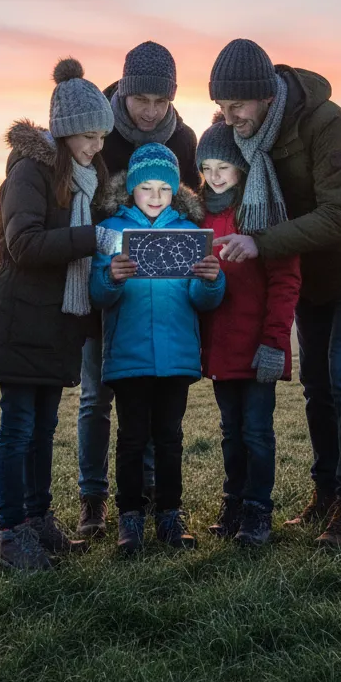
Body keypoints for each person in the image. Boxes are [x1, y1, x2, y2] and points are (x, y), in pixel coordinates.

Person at [208, 38, 341, 546]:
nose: (228, 118)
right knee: (316, 382)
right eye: (220, 108)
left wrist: (259, 241)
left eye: (236, 105)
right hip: (306, 265)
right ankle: (327, 493)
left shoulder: (328, 123)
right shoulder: (246, 135)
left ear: (265, 96)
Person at [0, 57, 122, 571]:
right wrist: (92, 239)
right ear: (63, 131)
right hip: (21, 319)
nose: (96, 146)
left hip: (55, 321)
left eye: (101, 136)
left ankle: (39, 522)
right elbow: (23, 244)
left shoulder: (83, 178)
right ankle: (11, 534)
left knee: (42, 429)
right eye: (88, 135)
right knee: (17, 428)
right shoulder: (29, 170)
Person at [77, 41, 200, 538]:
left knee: (152, 396)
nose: (150, 112)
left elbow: (188, 209)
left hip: (161, 291)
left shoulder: (185, 140)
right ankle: (94, 500)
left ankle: (150, 496)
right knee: (96, 395)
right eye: (140, 100)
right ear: (123, 92)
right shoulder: (98, 132)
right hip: (101, 275)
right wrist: (105, 262)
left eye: (160, 101)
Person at [89, 143, 224, 554]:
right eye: (145, 188)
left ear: (174, 192)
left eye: (163, 189)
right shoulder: (112, 232)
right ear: (131, 190)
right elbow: (98, 294)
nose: (154, 196)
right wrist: (111, 276)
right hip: (129, 357)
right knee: (131, 438)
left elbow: (204, 301)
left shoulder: (187, 232)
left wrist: (211, 279)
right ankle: (129, 520)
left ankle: (170, 515)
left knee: (169, 438)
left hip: (176, 356)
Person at [196, 119, 301, 547]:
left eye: (224, 165)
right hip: (220, 345)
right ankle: (234, 501)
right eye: (207, 166)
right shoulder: (198, 216)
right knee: (230, 430)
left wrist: (275, 341)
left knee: (257, 430)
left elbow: (286, 280)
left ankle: (258, 509)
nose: (215, 175)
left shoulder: (261, 211)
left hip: (258, 345)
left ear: (242, 167)